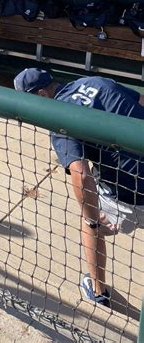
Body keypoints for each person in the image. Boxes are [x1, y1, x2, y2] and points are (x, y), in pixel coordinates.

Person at [14, 68, 144, 307]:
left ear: (42, 94)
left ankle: (98, 290)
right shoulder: (96, 81)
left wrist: (93, 220)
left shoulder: (60, 119)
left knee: (89, 222)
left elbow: (82, 176)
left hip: (131, 196)